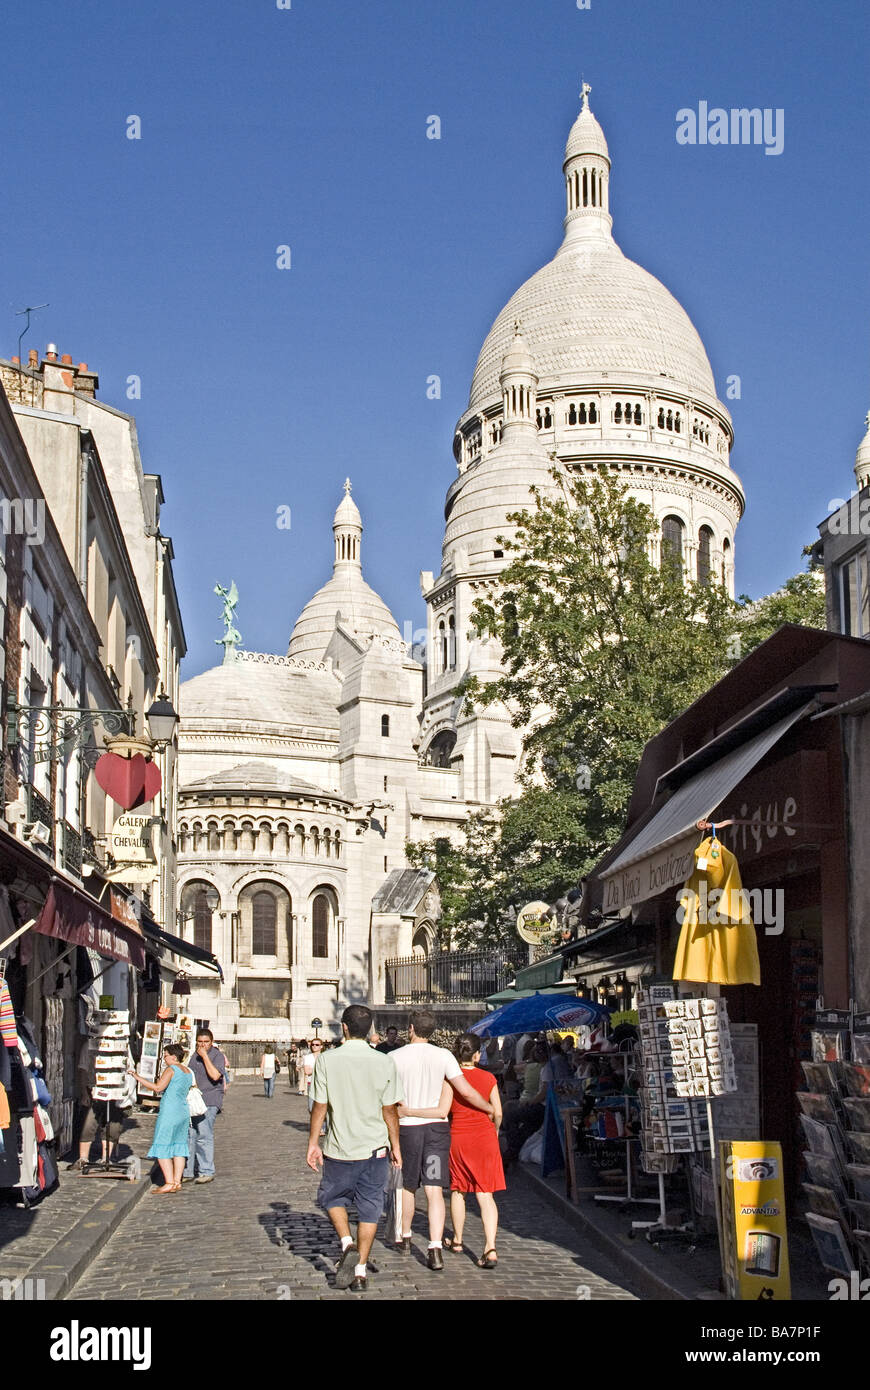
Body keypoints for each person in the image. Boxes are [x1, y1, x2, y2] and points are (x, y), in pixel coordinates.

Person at [306, 1004, 403, 1293]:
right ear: (371, 1029)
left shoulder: (326, 1060)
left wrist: (313, 1142)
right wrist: (396, 1145)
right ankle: (360, 1270)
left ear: (344, 1028)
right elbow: (390, 1110)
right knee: (370, 1207)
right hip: (375, 1148)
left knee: (333, 1198)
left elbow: (320, 1106)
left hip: (339, 1148)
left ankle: (347, 1243)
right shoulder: (384, 1061)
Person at [392, 1009, 494, 1269]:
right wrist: (488, 1108)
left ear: (411, 1028)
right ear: (433, 1031)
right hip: (436, 1131)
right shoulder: (444, 1056)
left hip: (408, 1128)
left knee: (408, 1186)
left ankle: (405, 1236)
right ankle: (435, 1247)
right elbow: (466, 1091)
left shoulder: (394, 1056)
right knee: (435, 1189)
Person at [444, 1034, 505, 1267]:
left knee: (458, 1189)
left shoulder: (451, 1079)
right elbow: (497, 1113)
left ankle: (458, 1240)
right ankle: (490, 1247)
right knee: (485, 1193)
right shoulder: (488, 1077)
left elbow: (447, 1109)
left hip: (459, 1136)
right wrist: (495, 1131)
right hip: (484, 1136)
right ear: (477, 1054)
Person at [129, 1043, 194, 1193]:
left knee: (162, 1144)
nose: (164, 1059)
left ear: (173, 1056)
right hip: (183, 1110)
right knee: (179, 1146)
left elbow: (158, 1088)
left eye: (165, 1055)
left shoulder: (171, 1069)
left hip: (170, 1111)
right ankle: (177, 1181)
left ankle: (169, 1182)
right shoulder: (187, 1071)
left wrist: (137, 1077)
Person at [184, 1028, 228, 1185]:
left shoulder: (217, 1056)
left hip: (210, 1099)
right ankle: (187, 1170)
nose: (202, 1045)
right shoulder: (194, 1056)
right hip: (194, 1100)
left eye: (206, 1042)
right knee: (190, 1135)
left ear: (211, 1042)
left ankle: (206, 1170)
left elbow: (215, 1075)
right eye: (200, 1042)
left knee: (204, 1134)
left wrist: (204, 1057)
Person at [303, 1038, 322, 1108]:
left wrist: (312, 1068)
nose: (314, 1046)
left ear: (321, 1046)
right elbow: (307, 1071)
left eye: (317, 1045)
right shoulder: (308, 1057)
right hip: (311, 1083)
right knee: (311, 1107)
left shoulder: (324, 1056)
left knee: (323, 1107)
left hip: (322, 1084)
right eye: (312, 1044)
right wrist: (319, 1068)